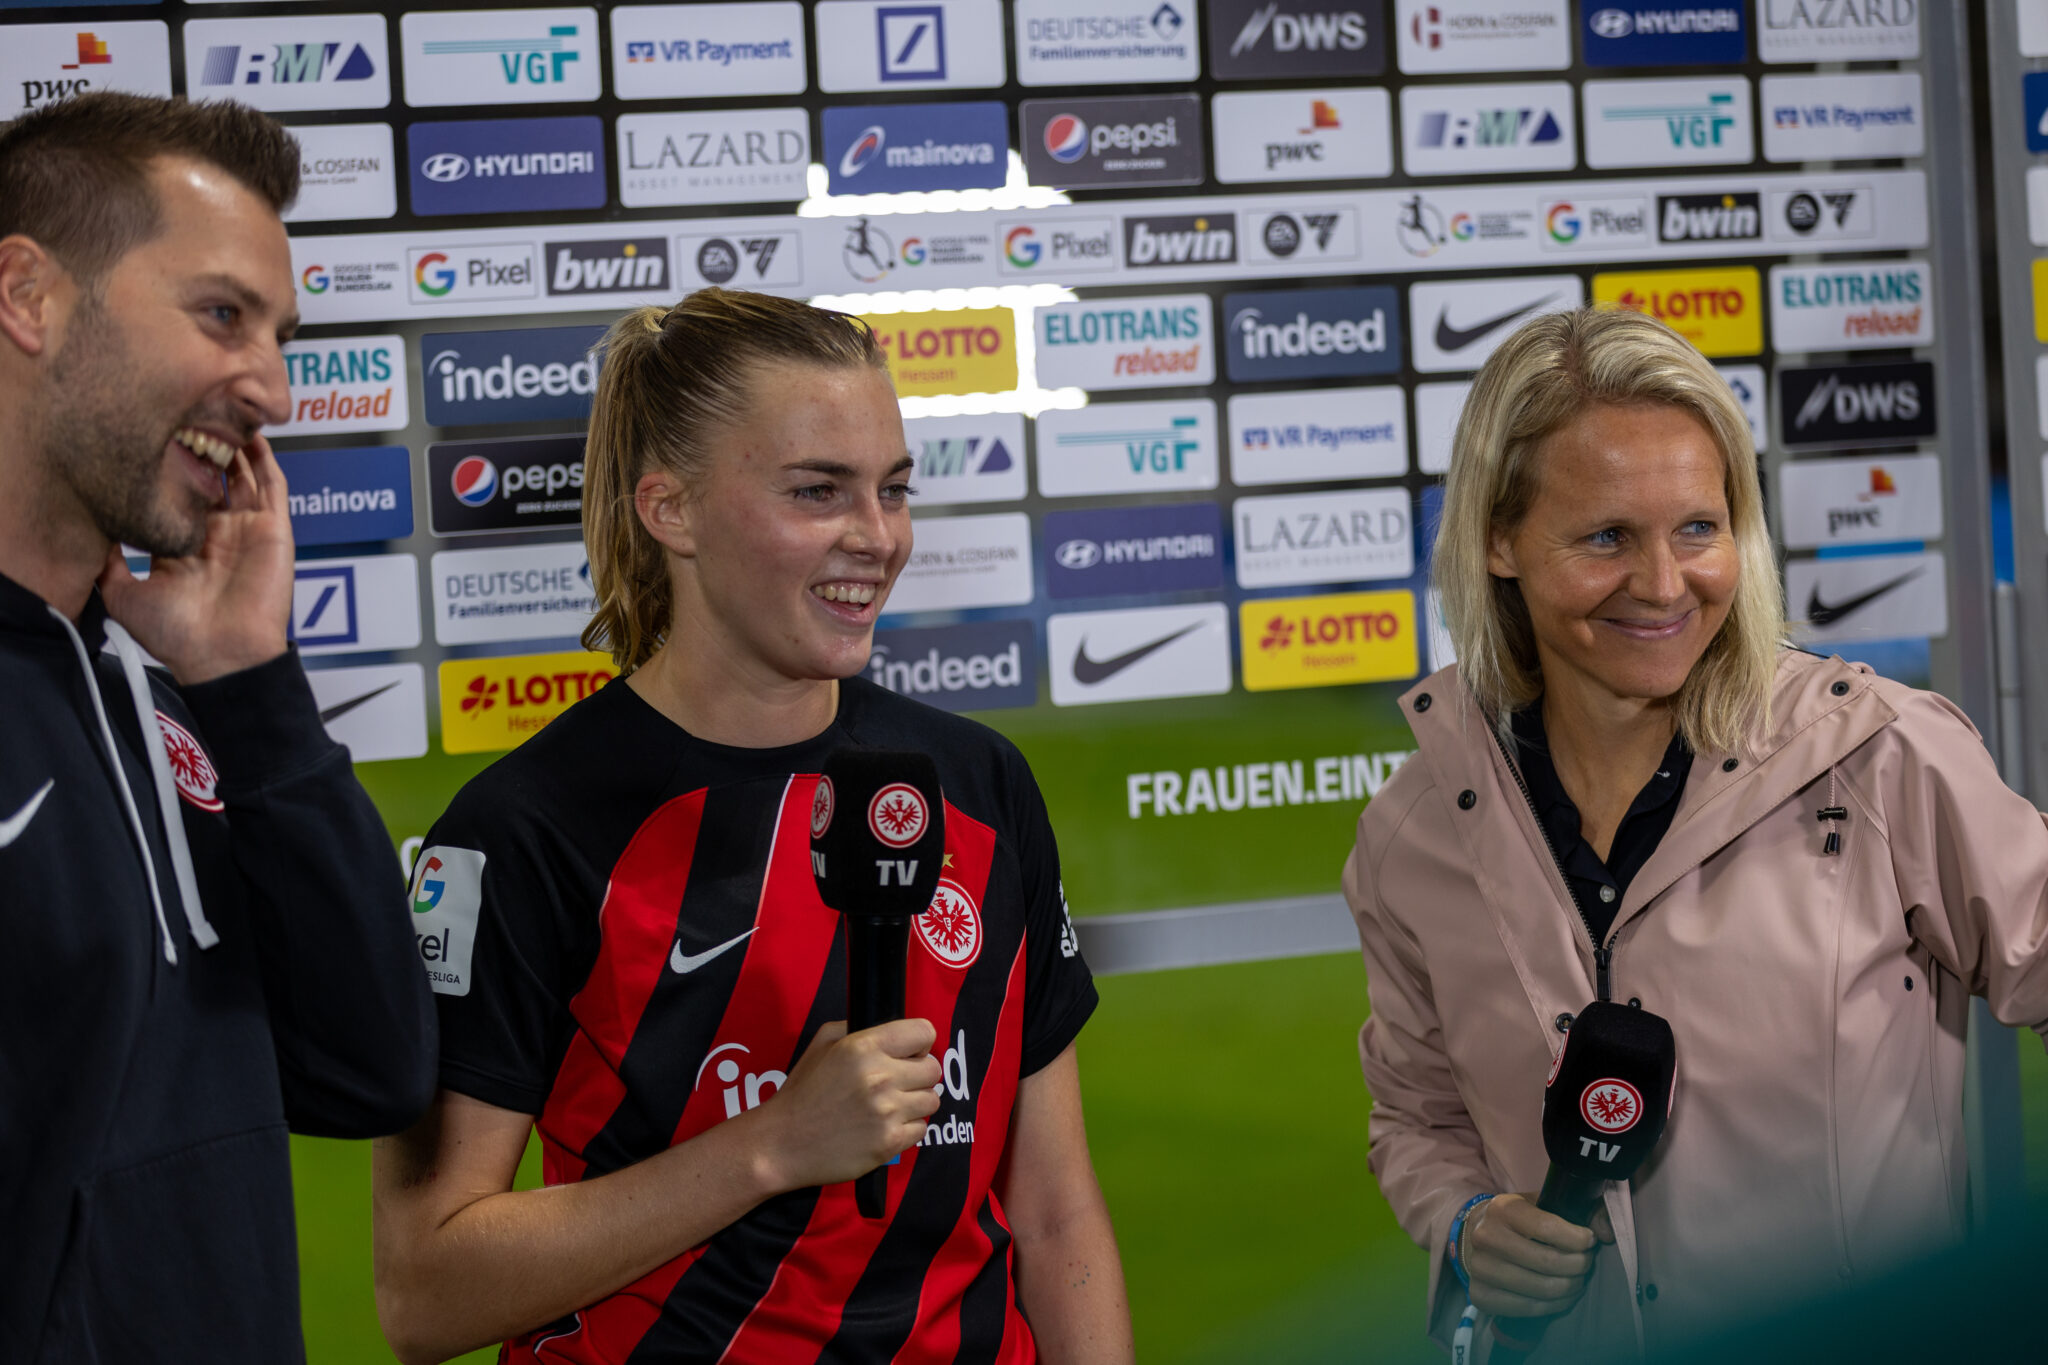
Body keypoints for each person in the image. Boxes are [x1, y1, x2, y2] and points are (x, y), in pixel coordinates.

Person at [373, 288, 1134, 1365]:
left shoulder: (978, 784)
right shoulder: (522, 830)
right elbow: (424, 1291)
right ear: (670, 509)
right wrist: (772, 1144)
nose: (875, 537)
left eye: (893, 489)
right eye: (818, 491)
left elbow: (1055, 1211)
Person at [1344, 306, 2048, 1361]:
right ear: (1497, 539)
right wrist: (1466, 1220)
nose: (1665, 585)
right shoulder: (1414, 831)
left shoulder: (1878, 754)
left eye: (1697, 529)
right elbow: (1416, 1118)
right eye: (1605, 538)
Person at [0, 93, 436, 1360]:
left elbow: (369, 1068)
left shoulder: (172, 687)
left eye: (281, 335)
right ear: (28, 296)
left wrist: (248, 681)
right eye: (222, 316)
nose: (275, 391)